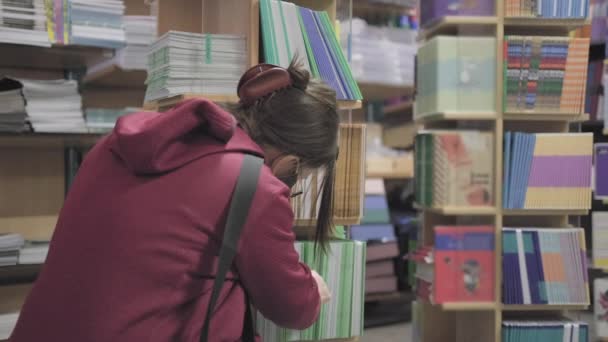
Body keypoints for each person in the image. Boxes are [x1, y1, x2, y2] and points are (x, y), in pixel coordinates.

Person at [9, 58, 337, 342]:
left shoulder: (112, 146)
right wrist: (311, 288)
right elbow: (290, 307)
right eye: (296, 180)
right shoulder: (254, 186)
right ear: (290, 164)